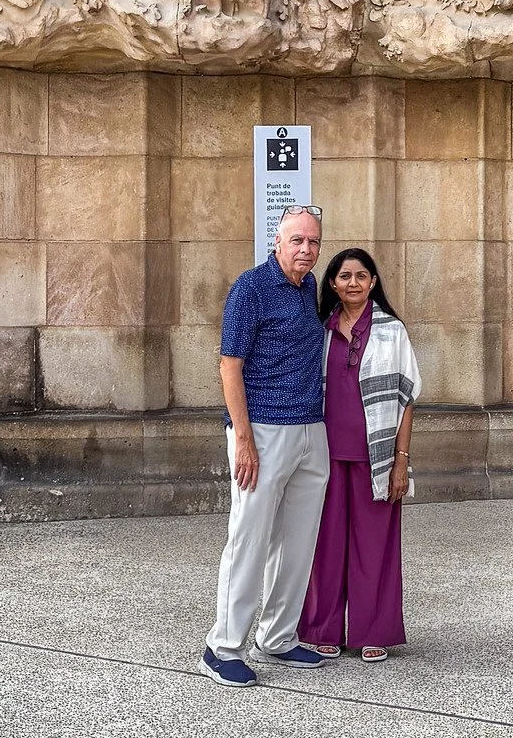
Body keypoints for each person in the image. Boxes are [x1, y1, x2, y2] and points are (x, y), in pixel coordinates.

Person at [201, 206, 330, 688]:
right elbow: (229, 365)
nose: (306, 249)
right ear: (277, 242)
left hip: (310, 430)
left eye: (313, 242)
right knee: (249, 539)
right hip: (263, 430)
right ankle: (222, 647)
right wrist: (243, 440)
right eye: (297, 240)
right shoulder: (250, 288)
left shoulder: (309, 287)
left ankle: (277, 635)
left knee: (296, 543)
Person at [300, 247, 422, 662]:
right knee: (326, 547)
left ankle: (373, 631)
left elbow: (407, 398)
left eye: (361, 276)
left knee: (375, 549)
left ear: (373, 282)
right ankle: (324, 628)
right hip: (324, 455)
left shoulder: (392, 331)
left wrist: (401, 461)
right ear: (333, 284)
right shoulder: (319, 330)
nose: (353, 283)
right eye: (344, 276)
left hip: (377, 458)